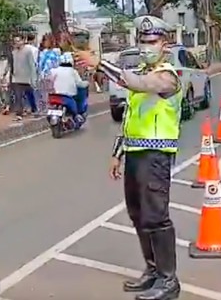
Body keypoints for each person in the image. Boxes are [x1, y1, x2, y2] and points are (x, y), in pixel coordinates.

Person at [75, 15, 182, 300]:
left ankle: (168, 280)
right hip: (135, 154)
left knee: (156, 217)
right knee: (139, 216)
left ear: (165, 44)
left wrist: (100, 63)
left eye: (153, 41)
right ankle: (152, 271)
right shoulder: (143, 72)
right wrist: (117, 153)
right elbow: (130, 119)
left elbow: (135, 83)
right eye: (143, 41)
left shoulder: (167, 76)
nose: (147, 46)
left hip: (156, 156)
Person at [49, 52, 89, 124]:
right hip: (69, 96)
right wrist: (86, 83)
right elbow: (79, 84)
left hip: (56, 95)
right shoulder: (73, 72)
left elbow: (49, 79)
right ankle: (77, 116)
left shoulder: (54, 70)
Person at [10, 36, 38, 121]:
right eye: (15, 41)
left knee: (30, 95)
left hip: (27, 78)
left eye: (18, 41)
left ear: (22, 41)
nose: (17, 43)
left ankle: (34, 108)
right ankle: (19, 113)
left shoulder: (28, 51)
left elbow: (32, 65)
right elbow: (12, 64)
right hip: (17, 78)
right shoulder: (14, 52)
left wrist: (33, 78)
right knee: (18, 96)